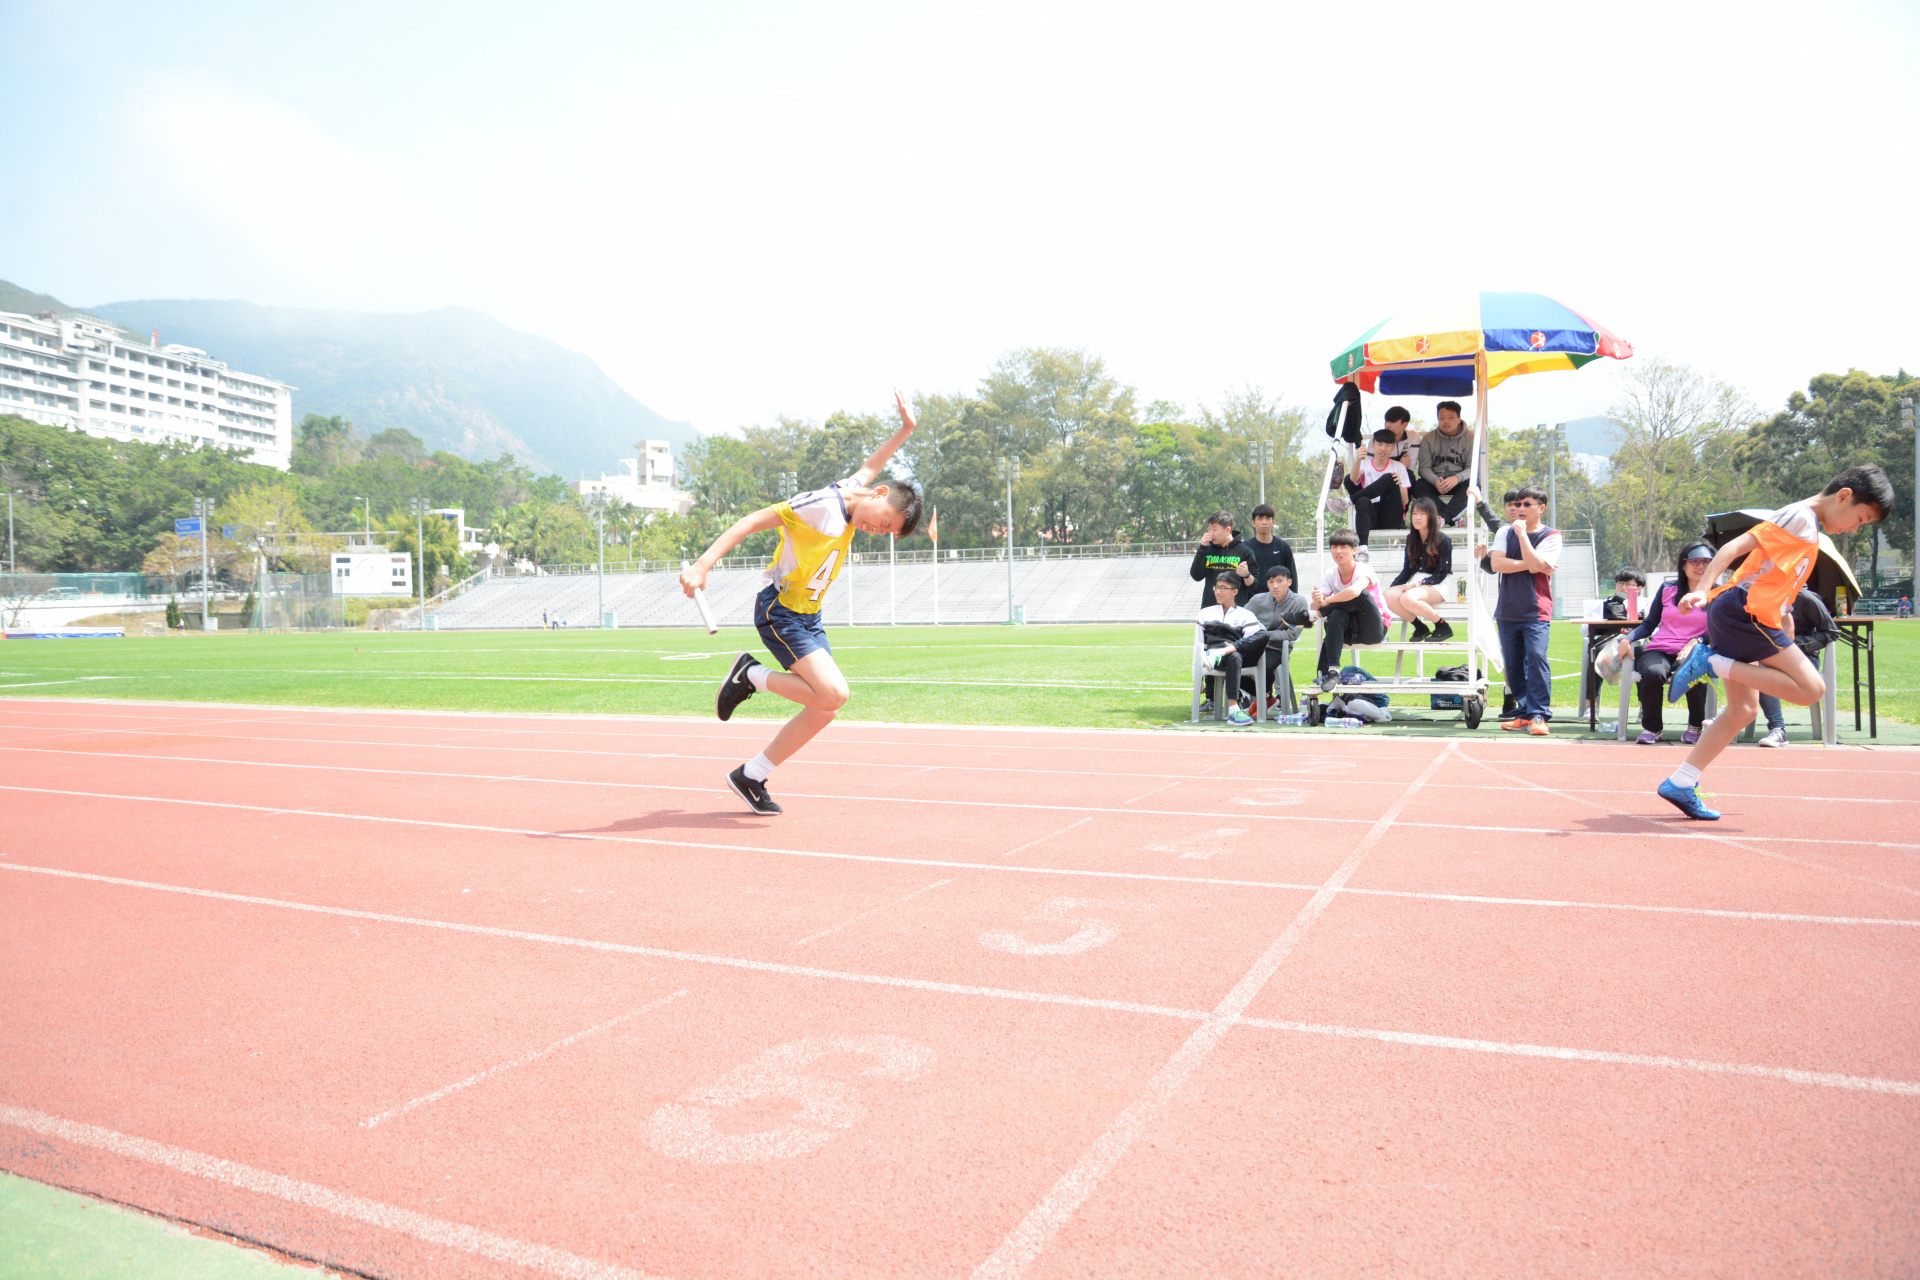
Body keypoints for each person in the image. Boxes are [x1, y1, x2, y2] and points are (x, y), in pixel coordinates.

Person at [683, 392, 924, 816]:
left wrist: (906, 429)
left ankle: (752, 775)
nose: (875, 529)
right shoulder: (821, 506)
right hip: (780, 611)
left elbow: (871, 465)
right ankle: (750, 674)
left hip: (808, 616)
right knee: (834, 694)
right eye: (883, 521)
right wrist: (703, 565)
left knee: (824, 707)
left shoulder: (857, 493)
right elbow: (752, 521)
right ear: (880, 495)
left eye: (886, 531)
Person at [1660, 464, 1894, 819]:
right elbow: (1734, 547)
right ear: (1844, 496)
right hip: (1742, 612)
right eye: (1860, 519)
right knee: (1811, 689)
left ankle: (1681, 781)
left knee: (1743, 710)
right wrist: (1703, 589)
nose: (1854, 528)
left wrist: (1785, 621)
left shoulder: (1809, 529)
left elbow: (1776, 580)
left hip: (1748, 615)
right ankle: (1711, 662)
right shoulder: (1799, 516)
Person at [1624, 542, 1714, 744]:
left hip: (1695, 650)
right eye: (1695, 561)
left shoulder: (1717, 593)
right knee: (1653, 672)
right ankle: (1652, 729)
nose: (1701, 566)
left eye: (1706, 562)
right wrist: (1627, 638)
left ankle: (1695, 726)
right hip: (1660, 649)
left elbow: (1719, 629)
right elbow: (1649, 624)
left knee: (1694, 669)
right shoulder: (1667, 589)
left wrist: (1697, 640)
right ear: (1683, 565)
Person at [1491, 485, 1561, 735]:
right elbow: (1496, 564)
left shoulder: (1552, 536)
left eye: (1527, 504)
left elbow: (1533, 566)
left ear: (1541, 508)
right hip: (1507, 610)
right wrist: (1534, 564)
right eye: (1517, 504)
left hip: (1536, 611)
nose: (1520, 509)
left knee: (1536, 658)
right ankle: (1523, 712)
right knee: (1513, 666)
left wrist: (1522, 536)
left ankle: (1538, 715)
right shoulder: (1504, 531)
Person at [1751, 588, 1842, 747]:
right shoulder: (1762, 593)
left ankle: (1777, 729)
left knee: (1762, 668)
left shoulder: (1806, 598)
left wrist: (1792, 645)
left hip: (1804, 658)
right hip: (1768, 655)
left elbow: (1831, 632)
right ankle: (1736, 715)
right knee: (1753, 665)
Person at [1311, 529, 1385, 690]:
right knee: (1336, 613)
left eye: (1343, 547)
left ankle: (1312, 616)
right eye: (1334, 547)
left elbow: (1354, 592)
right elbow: (1316, 605)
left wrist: (1325, 603)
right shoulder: (1330, 573)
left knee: (1361, 595)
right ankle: (1333, 672)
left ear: (1354, 550)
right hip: (1347, 631)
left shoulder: (1363, 570)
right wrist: (1317, 600)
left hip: (1372, 630)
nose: (1338, 551)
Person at [1195, 574, 1266, 725]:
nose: (1218, 592)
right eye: (1217, 588)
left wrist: (1230, 649)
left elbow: (1250, 643)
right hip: (1215, 660)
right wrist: (1197, 677)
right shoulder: (1205, 613)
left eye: (1223, 588)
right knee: (1235, 656)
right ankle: (1234, 711)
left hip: (1239, 656)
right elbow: (1198, 645)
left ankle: (1221, 652)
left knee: (1262, 635)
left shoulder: (1246, 615)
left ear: (1234, 592)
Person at [1385, 496, 1454, 642]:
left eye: (1423, 514)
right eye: (1415, 513)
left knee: (1407, 598)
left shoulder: (1443, 540)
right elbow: (1407, 570)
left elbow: (1441, 573)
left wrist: (1419, 583)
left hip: (1437, 584)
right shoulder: (1411, 538)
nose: (1417, 517)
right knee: (1388, 595)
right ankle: (1420, 627)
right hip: (1417, 583)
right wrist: (1393, 587)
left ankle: (1442, 626)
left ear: (1431, 516)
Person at [1246, 564, 1313, 710]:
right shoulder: (1257, 600)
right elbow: (1241, 620)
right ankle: (1266, 697)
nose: (1275, 586)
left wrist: (1264, 636)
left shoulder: (1299, 602)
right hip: (1255, 647)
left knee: (1264, 666)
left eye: (1279, 581)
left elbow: (1292, 634)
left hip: (1278, 648)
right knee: (1233, 664)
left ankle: (1265, 698)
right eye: (1271, 582)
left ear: (1289, 582)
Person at [1409, 400, 1473, 526]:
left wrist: (1456, 478)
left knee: (1473, 485)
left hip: (1458, 482)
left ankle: (1443, 518)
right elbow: (1423, 468)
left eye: (1451, 417)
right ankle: (1452, 519)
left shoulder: (1470, 438)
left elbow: (1472, 468)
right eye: (1442, 418)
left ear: (1459, 419)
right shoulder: (1428, 438)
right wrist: (1434, 480)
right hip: (1436, 481)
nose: (1446, 421)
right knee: (1418, 486)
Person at [1344, 429, 1412, 545]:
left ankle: (1349, 500)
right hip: (1371, 515)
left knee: (1389, 478)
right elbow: (1353, 479)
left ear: (1393, 447)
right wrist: (1359, 458)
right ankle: (1363, 548)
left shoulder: (1399, 467)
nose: (1383, 449)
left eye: (1387, 445)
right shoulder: (1365, 466)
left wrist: (1399, 483)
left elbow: (1405, 501)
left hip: (1390, 516)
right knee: (1362, 500)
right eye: (1379, 444)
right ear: (1373, 445)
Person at [1189, 511, 1253, 606]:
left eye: (1214, 529)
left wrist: (1246, 574)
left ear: (1228, 530)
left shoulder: (1244, 551)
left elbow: (1254, 585)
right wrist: (1202, 548)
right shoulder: (1207, 550)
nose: (1211, 533)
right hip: (1210, 608)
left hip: (1235, 609)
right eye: (1210, 529)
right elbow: (1196, 576)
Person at [1241, 503, 1297, 597]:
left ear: (1273, 522)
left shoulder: (1283, 547)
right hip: (1251, 599)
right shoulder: (1245, 547)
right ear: (1253, 523)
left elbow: (1292, 576)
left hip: (1278, 599)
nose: (1264, 522)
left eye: (1267, 518)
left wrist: (1293, 599)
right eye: (1260, 519)